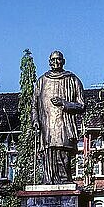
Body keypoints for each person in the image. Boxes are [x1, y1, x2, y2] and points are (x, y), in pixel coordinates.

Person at [31, 50, 85, 184]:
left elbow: (81, 105)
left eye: (59, 59)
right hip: (46, 126)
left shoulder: (72, 79)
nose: (56, 62)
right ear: (49, 62)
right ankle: (48, 181)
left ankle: (64, 180)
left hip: (64, 126)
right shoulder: (41, 81)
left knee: (63, 155)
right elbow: (34, 105)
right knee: (48, 155)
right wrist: (35, 120)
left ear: (63, 61)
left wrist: (64, 103)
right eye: (53, 60)